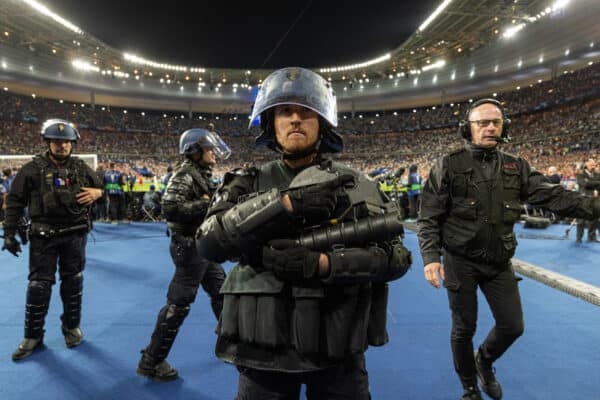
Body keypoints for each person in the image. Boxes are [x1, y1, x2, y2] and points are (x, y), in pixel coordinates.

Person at [196, 67, 412, 399]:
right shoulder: (246, 182)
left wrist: (324, 264)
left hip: (337, 353)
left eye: (306, 111)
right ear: (272, 123)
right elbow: (208, 243)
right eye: (285, 111)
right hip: (262, 353)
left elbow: (398, 257)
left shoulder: (356, 183)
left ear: (321, 122)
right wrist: (283, 205)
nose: (295, 119)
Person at [417, 98, 600, 400]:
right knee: (464, 329)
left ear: (504, 127)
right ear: (468, 128)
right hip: (460, 261)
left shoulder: (517, 167)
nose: (490, 127)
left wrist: (595, 206)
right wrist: (430, 257)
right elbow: (429, 216)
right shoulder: (449, 165)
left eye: (496, 122)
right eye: (482, 123)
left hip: (499, 261)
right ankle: (469, 388)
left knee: (513, 326)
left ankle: (484, 361)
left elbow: (556, 197)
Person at [2, 119, 103, 361]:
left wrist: (98, 192)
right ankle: (33, 336)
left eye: (66, 141)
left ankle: (71, 328)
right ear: (48, 143)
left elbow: (101, 186)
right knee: (38, 286)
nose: (62, 145)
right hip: (43, 237)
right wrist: (8, 234)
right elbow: (15, 202)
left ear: (73, 144)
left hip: (75, 236)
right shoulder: (32, 169)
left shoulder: (81, 167)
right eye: (57, 141)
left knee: (73, 284)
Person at [136, 128, 231, 381]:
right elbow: (170, 208)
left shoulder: (199, 173)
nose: (214, 154)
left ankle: (231, 342)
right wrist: (207, 204)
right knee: (179, 304)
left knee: (221, 291)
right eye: (209, 149)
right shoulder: (185, 175)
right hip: (189, 248)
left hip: (201, 246)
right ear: (194, 151)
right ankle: (151, 361)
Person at [575, 158, 600, 243]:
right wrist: (594, 183)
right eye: (591, 165)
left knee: (594, 219)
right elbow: (584, 184)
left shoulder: (597, 174)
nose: (593, 166)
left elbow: (593, 184)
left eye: (594, 165)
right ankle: (579, 238)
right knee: (581, 219)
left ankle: (591, 237)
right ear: (587, 164)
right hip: (583, 198)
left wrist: (590, 182)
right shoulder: (580, 174)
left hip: (594, 199)